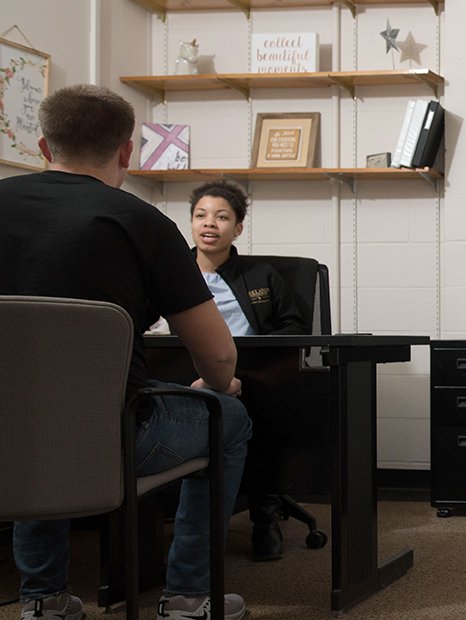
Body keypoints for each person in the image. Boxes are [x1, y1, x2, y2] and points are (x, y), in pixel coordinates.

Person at [0, 84, 252, 620]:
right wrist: (218, 383)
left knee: (29, 418)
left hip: (7, 437)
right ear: (125, 152)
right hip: (112, 442)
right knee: (227, 415)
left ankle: (43, 599)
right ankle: (187, 594)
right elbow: (220, 359)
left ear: (44, 149)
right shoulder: (143, 223)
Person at [188, 180, 305, 562]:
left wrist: (242, 373)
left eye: (222, 217)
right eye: (201, 215)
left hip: (250, 376)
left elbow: (295, 328)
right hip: (183, 373)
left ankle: (264, 517)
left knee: (265, 417)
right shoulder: (173, 273)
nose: (210, 224)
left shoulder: (262, 276)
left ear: (237, 228)